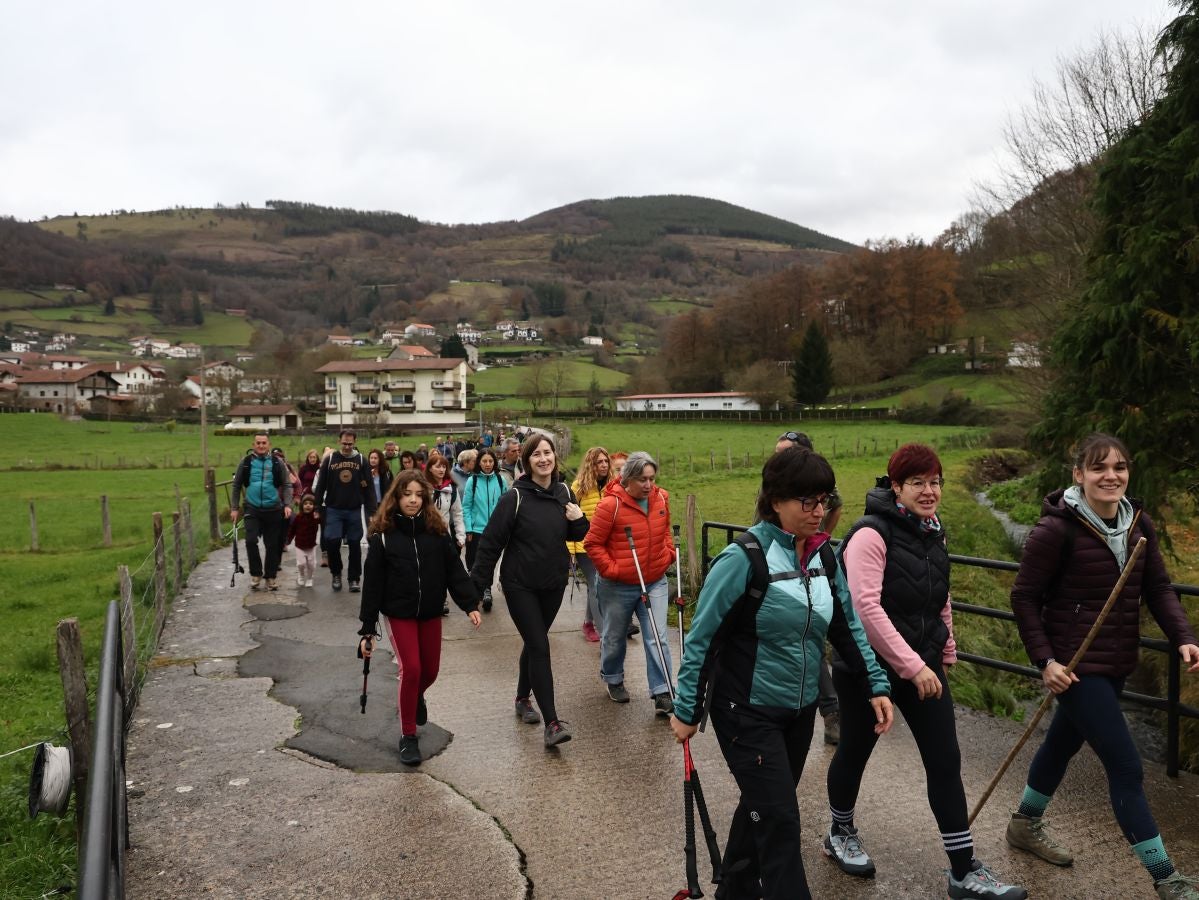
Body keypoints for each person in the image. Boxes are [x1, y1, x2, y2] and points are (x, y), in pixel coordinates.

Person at [670, 447, 893, 900]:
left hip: (798, 712)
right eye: (806, 502)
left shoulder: (825, 558)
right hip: (745, 713)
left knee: (762, 808)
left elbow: (847, 627)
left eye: (824, 500)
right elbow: (702, 639)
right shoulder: (743, 560)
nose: (819, 512)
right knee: (780, 821)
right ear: (776, 501)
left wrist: (876, 684)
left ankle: (733, 892)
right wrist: (686, 708)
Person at [823, 444, 1025, 899]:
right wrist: (914, 667)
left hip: (923, 667)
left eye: (935, 482)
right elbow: (864, 610)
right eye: (917, 483)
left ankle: (962, 870)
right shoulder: (870, 535)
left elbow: (940, 595)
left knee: (944, 759)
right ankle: (839, 833)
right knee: (856, 749)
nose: (928, 491)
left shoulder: (934, 530)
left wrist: (946, 646)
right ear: (896, 487)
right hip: (867, 667)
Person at [1006, 433, 1199, 899]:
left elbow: (1158, 589)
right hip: (1074, 667)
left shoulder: (1138, 525)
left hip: (1115, 662)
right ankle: (1165, 877)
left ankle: (1024, 824)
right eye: (1099, 468)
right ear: (1079, 475)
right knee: (1127, 768)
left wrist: (1184, 637)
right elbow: (1024, 597)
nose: (1110, 476)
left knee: (1061, 744)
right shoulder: (1057, 530)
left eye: (1119, 467)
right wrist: (1045, 661)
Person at [470, 434, 588, 748]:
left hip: (553, 583)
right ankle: (551, 724)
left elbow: (577, 533)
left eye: (548, 453)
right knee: (539, 646)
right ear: (527, 461)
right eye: (536, 454)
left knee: (533, 643)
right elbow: (491, 544)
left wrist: (580, 519)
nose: (544, 459)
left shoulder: (564, 492)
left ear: (554, 457)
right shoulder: (514, 498)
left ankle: (522, 698)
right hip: (519, 584)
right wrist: (473, 590)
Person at [358, 470, 482, 766]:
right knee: (411, 669)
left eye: (418, 495)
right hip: (399, 613)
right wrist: (366, 629)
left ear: (425, 499)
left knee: (430, 672)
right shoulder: (383, 538)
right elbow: (372, 586)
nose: (412, 500)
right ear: (396, 498)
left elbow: (454, 570)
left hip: (429, 612)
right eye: (406, 494)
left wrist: (469, 604)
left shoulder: (437, 532)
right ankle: (408, 736)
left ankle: (415, 697)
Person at [584, 452, 676, 714]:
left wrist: (667, 554)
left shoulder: (661, 498)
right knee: (614, 637)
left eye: (651, 479)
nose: (648, 485)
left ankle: (662, 691)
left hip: (654, 580)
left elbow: (666, 529)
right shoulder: (609, 505)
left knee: (657, 637)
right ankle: (613, 678)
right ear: (627, 479)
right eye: (642, 480)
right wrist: (612, 569)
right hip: (618, 585)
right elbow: (593, 543)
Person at [313, 429, 376, 594]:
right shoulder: (330, 459)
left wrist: (373, 512)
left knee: (355, 544)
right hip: (334, 509)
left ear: (354, 442)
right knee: (332, 542)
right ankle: (336, 573)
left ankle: (354, 578)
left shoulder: (361, 460)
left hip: (354, 509)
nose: (347, 447)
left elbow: (369, 488)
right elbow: (320, 486)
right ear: (339, 441)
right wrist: (317, 507)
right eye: (344, 443)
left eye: (350, 443)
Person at [230, 432, 294, 591]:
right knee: (251, 540)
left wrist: (287, 504)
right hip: (252, 508)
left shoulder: (277, 463)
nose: (261, 445)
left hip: (273, 509)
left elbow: (287, 484)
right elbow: (237, 485)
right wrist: (234, 508)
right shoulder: (245, 462)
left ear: (268, 445)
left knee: (272, 544)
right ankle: (256, 574)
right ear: (254, 444)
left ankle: (271, 577)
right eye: (258, 443)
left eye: (264, 443)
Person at [569, 446, 611, 642]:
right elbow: (567, 518)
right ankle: (604, 635)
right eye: (598, 462)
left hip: (607, 545)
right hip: (584, 545)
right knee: (596, 585)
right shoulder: (579, 487)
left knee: (595, 585)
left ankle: (588, 622)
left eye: (605, 461)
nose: (603, 465)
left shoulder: (613, 486)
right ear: (590, 465)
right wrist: (570, 548)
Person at [462, 448, 506, 612]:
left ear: (494, 463)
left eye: (490, 461)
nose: (488, 464)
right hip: (477, 529)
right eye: (484, 461)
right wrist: (468, 529)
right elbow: (466, 507)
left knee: (490, 562)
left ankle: (487, 590)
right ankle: (477, 590)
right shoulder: (472, 482)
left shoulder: (501, 481)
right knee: (475, 562)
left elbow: (506, 506)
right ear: (479, 463)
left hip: (495, 530)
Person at [426, 450, 466, 615]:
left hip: (443, 535)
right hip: (425, 534)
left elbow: (457, 513)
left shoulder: (451, 489)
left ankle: (442, 600)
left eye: (444, 466)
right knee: (427, 569)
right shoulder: (422, 488)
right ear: (429, 469)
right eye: (437, 466)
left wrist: (460, 534)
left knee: (442, 569)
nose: (441, 470)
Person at [286, 492, 321, 588]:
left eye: (310, 504)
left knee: (311, 564)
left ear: (314, 506)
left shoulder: (315, 517)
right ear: (302, 505)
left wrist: (319, 516)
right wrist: (288, 540)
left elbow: (322, 522)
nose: (308, 506)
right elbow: (292, 530)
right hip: (300, 545)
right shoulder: (298, 517)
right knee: (301, 563)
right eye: (305, 504)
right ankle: (301, 575)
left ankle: (309, 578)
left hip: (311, 545)